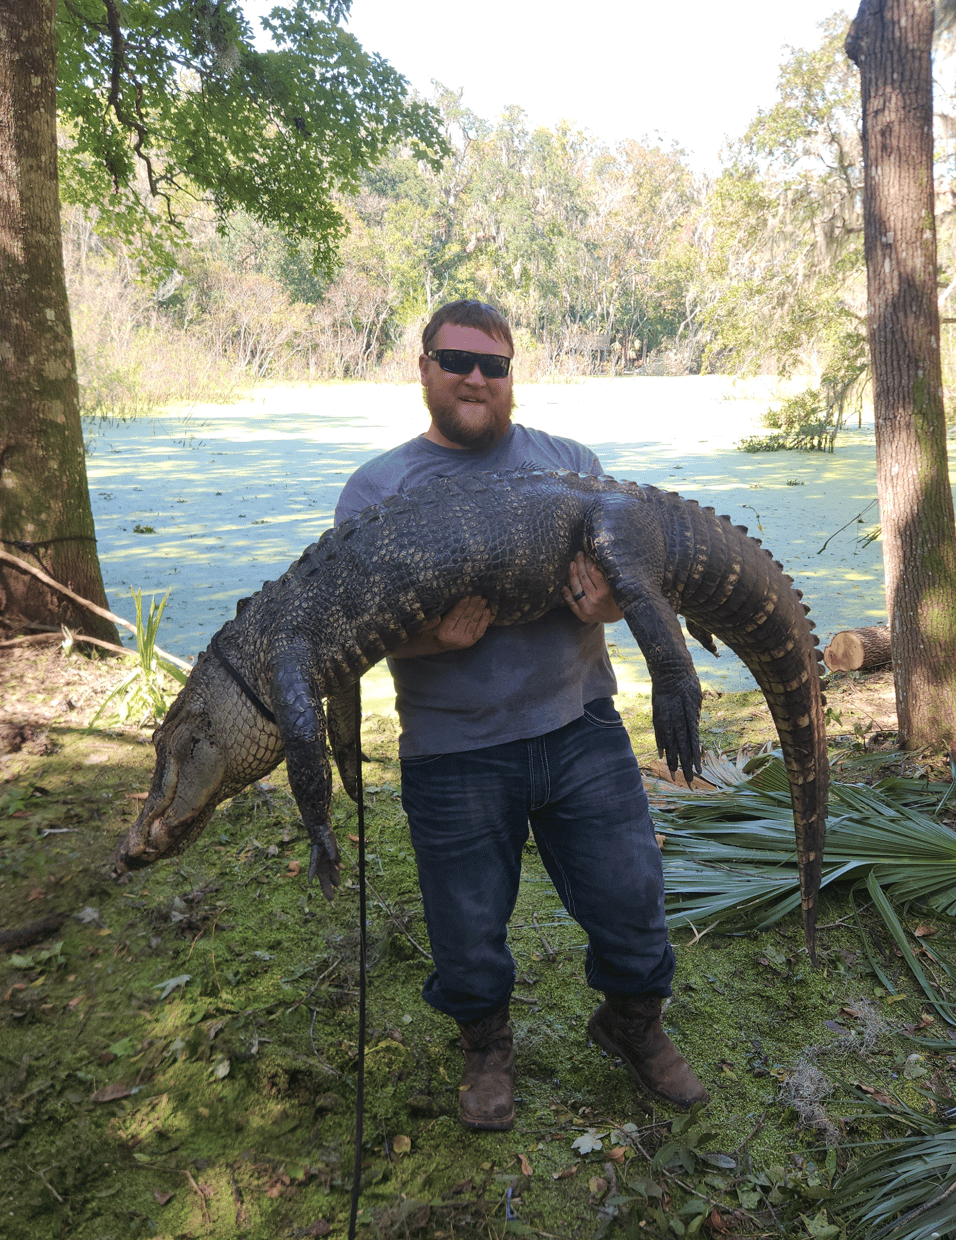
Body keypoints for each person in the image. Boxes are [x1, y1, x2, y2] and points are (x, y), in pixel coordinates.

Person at [335, 299, 708, 1131]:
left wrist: (611, 605)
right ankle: (486, 1047)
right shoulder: (376, 489)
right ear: (424, 366)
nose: (475, 377)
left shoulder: (571, 464)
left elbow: (624, 581)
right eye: (457, 359)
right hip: (452, 749)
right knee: (466, 932)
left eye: (493, 365)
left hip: (580, 725)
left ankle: (633, 1024)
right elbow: (351, 633)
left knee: (632, 895)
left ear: (511, 377)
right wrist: (431, 639)